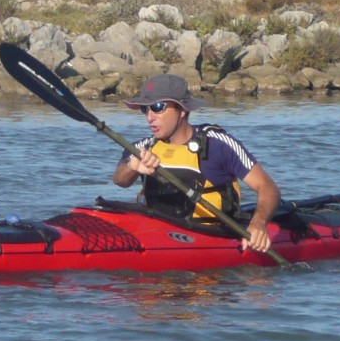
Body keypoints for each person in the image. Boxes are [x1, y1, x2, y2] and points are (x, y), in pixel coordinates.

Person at [110, 73, 281, 253]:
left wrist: (258, 223)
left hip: (211, 235)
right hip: (158, 235)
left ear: (182, 110)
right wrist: (132, 166)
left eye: (157, 107)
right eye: (145, 109)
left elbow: (268, 187)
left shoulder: (217, 144)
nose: (149, 117)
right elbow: (119, 179)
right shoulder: (143, 147)